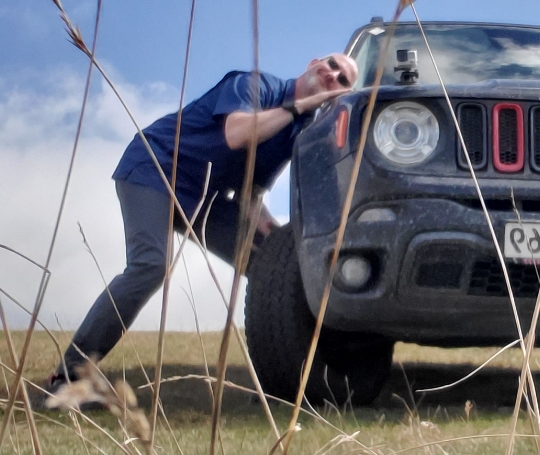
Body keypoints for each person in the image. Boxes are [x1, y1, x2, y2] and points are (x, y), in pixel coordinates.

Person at [48, 53, 358, 393]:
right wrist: (302, 105)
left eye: (343, 79)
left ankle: (285, 379)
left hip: (204, 198)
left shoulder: (294, 132)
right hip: (155, 169)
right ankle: (69, 375)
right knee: (150, 266)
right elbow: (237, 134)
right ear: (313, 63)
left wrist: (276, 240)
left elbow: (249, 195)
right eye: (331, 65)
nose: (333, 76)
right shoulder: (256, 84)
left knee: (273, 272)